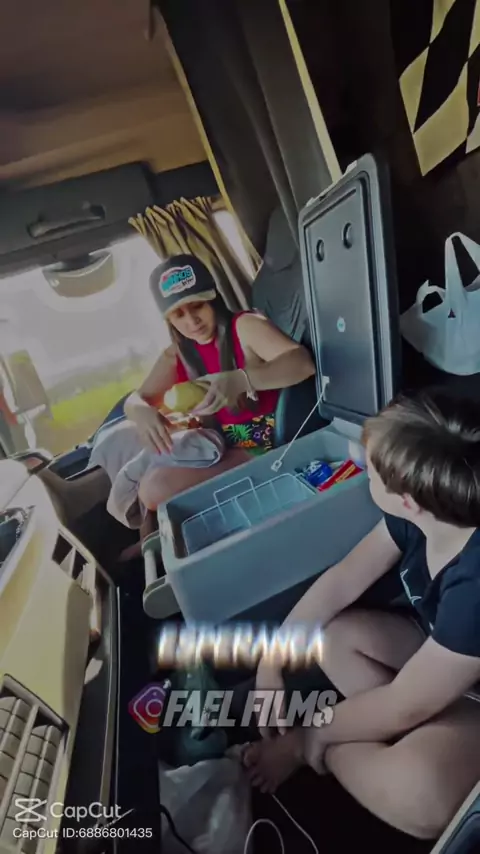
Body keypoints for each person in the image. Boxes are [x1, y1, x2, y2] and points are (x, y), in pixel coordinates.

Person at [243, 389, 480, 841]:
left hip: (460, 693)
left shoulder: (475, 583)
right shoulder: (427, 511)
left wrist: (309, 738)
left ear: (407, 498)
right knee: (332, 638)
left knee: (420, 794)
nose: (363, 470)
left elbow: (405, 702)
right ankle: (399, 733)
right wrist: (271, 660)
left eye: (370, 471)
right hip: (440, 669)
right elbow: (344, 578)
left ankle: (323, 750)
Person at [124, 254, 315, 510]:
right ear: (169, 320)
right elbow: (135, 399)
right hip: (218, 445)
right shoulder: (176, 355)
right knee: (135, 458)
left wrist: (241, 380)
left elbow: (303, 364)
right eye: (179, 314)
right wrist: (141, 412)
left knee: (155, 487)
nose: (192, 321)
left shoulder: (245, 326)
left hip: (265, 448)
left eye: (197, 306)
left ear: (213, 298)